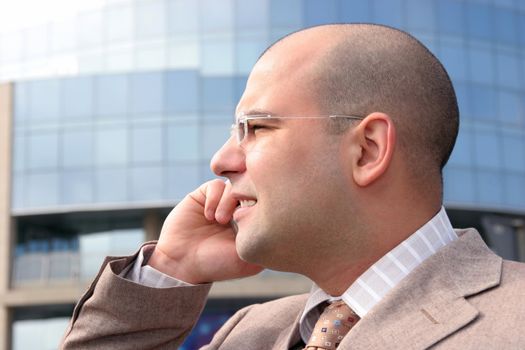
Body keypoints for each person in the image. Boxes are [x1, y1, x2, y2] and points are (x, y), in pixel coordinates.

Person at [60, 23, 525, 350]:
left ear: (367, 149)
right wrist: (171, 266)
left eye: (256, 128)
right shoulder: (245, 333)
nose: (221, 161)